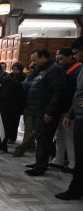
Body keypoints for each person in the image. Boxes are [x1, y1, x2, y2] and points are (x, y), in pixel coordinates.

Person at [25, 48, 66, 176]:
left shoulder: (55, 70)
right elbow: (31, 84)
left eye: (35, 60)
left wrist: (50, 111)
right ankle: (39, 162)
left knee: (44, 139)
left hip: (45, 112)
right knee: (40, 138)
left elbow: (58, 92)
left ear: (43, 57)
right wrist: (33, 70)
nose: (33, 62)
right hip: (37, 111)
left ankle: (41, 167)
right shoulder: (42, 70)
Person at [55, 36, 83, 200]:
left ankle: (75, 190)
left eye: (76, 52)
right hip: (78, 115)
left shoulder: (78, 69)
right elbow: (79, 95)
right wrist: (72, 113)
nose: (75, 56)